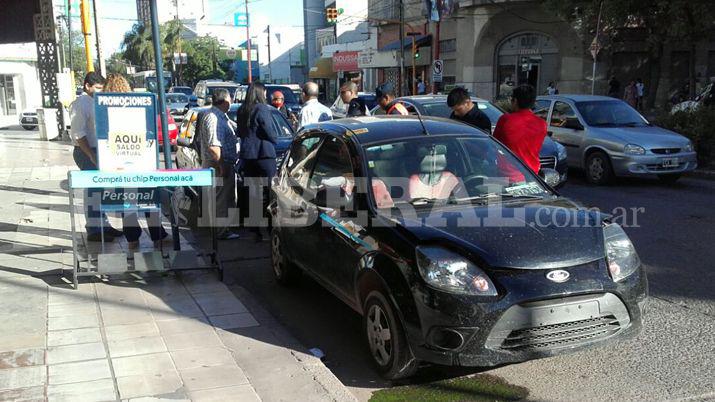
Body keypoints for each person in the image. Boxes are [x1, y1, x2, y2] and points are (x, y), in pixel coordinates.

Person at [103, 73, 168, 249]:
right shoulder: (138, 105)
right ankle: (157, 236)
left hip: (117, 164)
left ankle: (132, 239)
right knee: (148, 201)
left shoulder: (104, 109)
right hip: (141, 162)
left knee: (127, 204)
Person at [69, 72, 123, 242]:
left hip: (100, 150)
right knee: (93, 189)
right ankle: (93, 228)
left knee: (100, 190)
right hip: (86, 151)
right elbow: (79, 134)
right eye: (98, 88)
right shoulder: (80, 104)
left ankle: (103, 225)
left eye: (102, 88)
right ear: (87, 86)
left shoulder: (98, 102)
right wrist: (91, 155)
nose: (100, 91)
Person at [236, 82, 279, 242]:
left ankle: (254, 230)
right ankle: (270, 228)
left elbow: (240, 132)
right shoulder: (261, 108)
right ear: (261, 93)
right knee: (269, 192)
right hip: (264, 154)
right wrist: (274, 139)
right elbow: (269, 131)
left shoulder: (242, 110)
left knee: (252, 194)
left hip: (248, 156)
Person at [199, 88, 240, 240]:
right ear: (225, 101)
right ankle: (221, 231)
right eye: (230, 100)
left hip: (224, 163)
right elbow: (214, 146)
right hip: (218, 165)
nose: (231, 103)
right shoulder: (213, 117)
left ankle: (224, 228)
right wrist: (222, 165)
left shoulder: (220, 116)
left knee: (225, 198)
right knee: (220, 199)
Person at [493, 84, 547, 174]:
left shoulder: (506, 120)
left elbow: (495, 143)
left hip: (508, 173)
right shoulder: (542, 123)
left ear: (515, 101)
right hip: (533, 174)